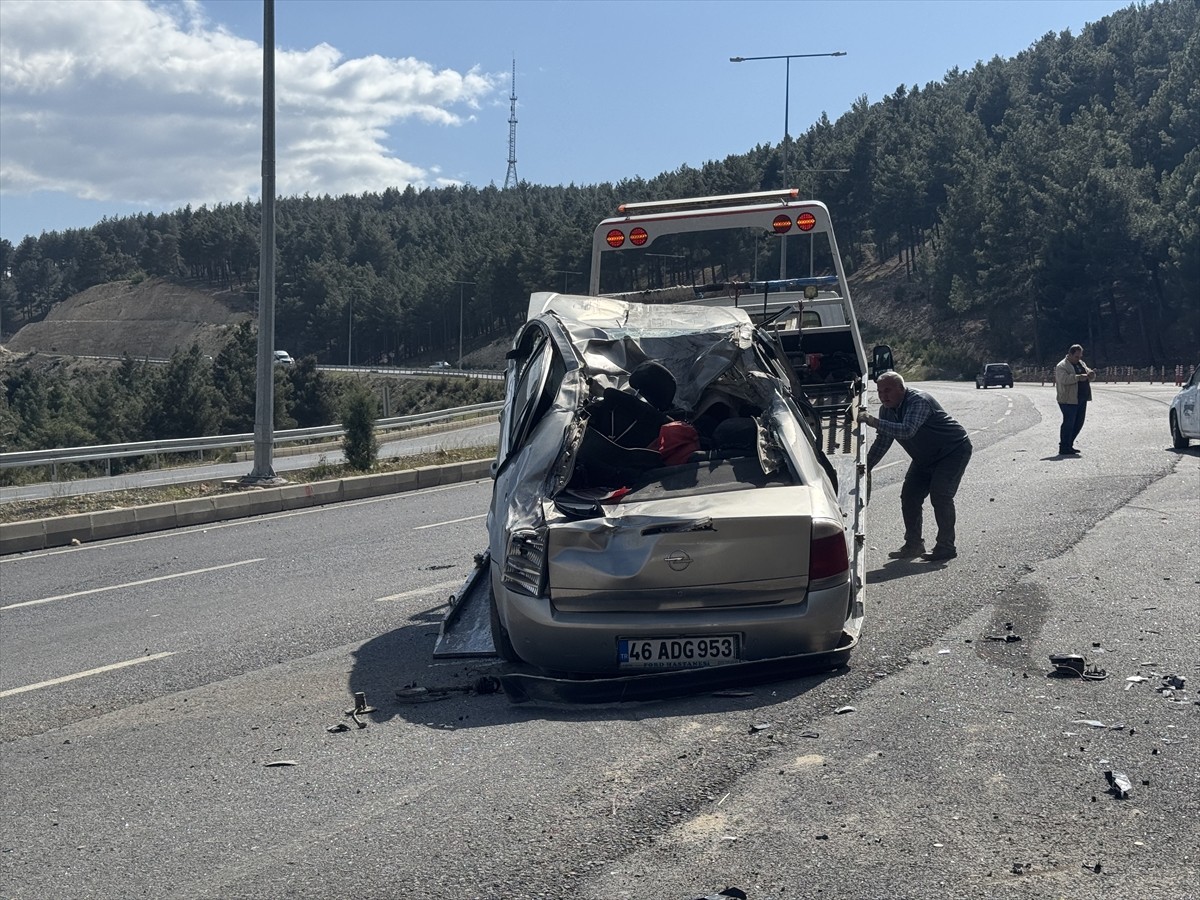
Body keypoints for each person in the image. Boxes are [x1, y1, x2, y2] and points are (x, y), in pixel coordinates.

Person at [862, 372, 972, 562]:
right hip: (924, 457)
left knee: (941, 495)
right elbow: (883, 441)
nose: (883, 396)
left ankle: (946, 547)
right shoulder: (887, 410)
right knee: (909, 496)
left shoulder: (918, 401)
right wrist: (866, 466)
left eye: (887, 390)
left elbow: (907, 430)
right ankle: (913, 545)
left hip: (952, 451)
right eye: (879, 391)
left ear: (901, 388)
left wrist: (872, 421)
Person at [1054, 344, 1095, 455]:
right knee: (1069, 423)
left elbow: (1087, 372)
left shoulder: (1081, 363)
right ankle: (1063, 447)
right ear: (1070, 354)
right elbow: (1064, 379)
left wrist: (1090, 374)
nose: (1079, 358)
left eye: (1080, 356)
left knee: (1078, 423)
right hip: (1068, 400)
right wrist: (1078, 377)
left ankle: (1069, 445)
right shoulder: (1061, 366)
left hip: (1081, 398)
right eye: (1076, 356)